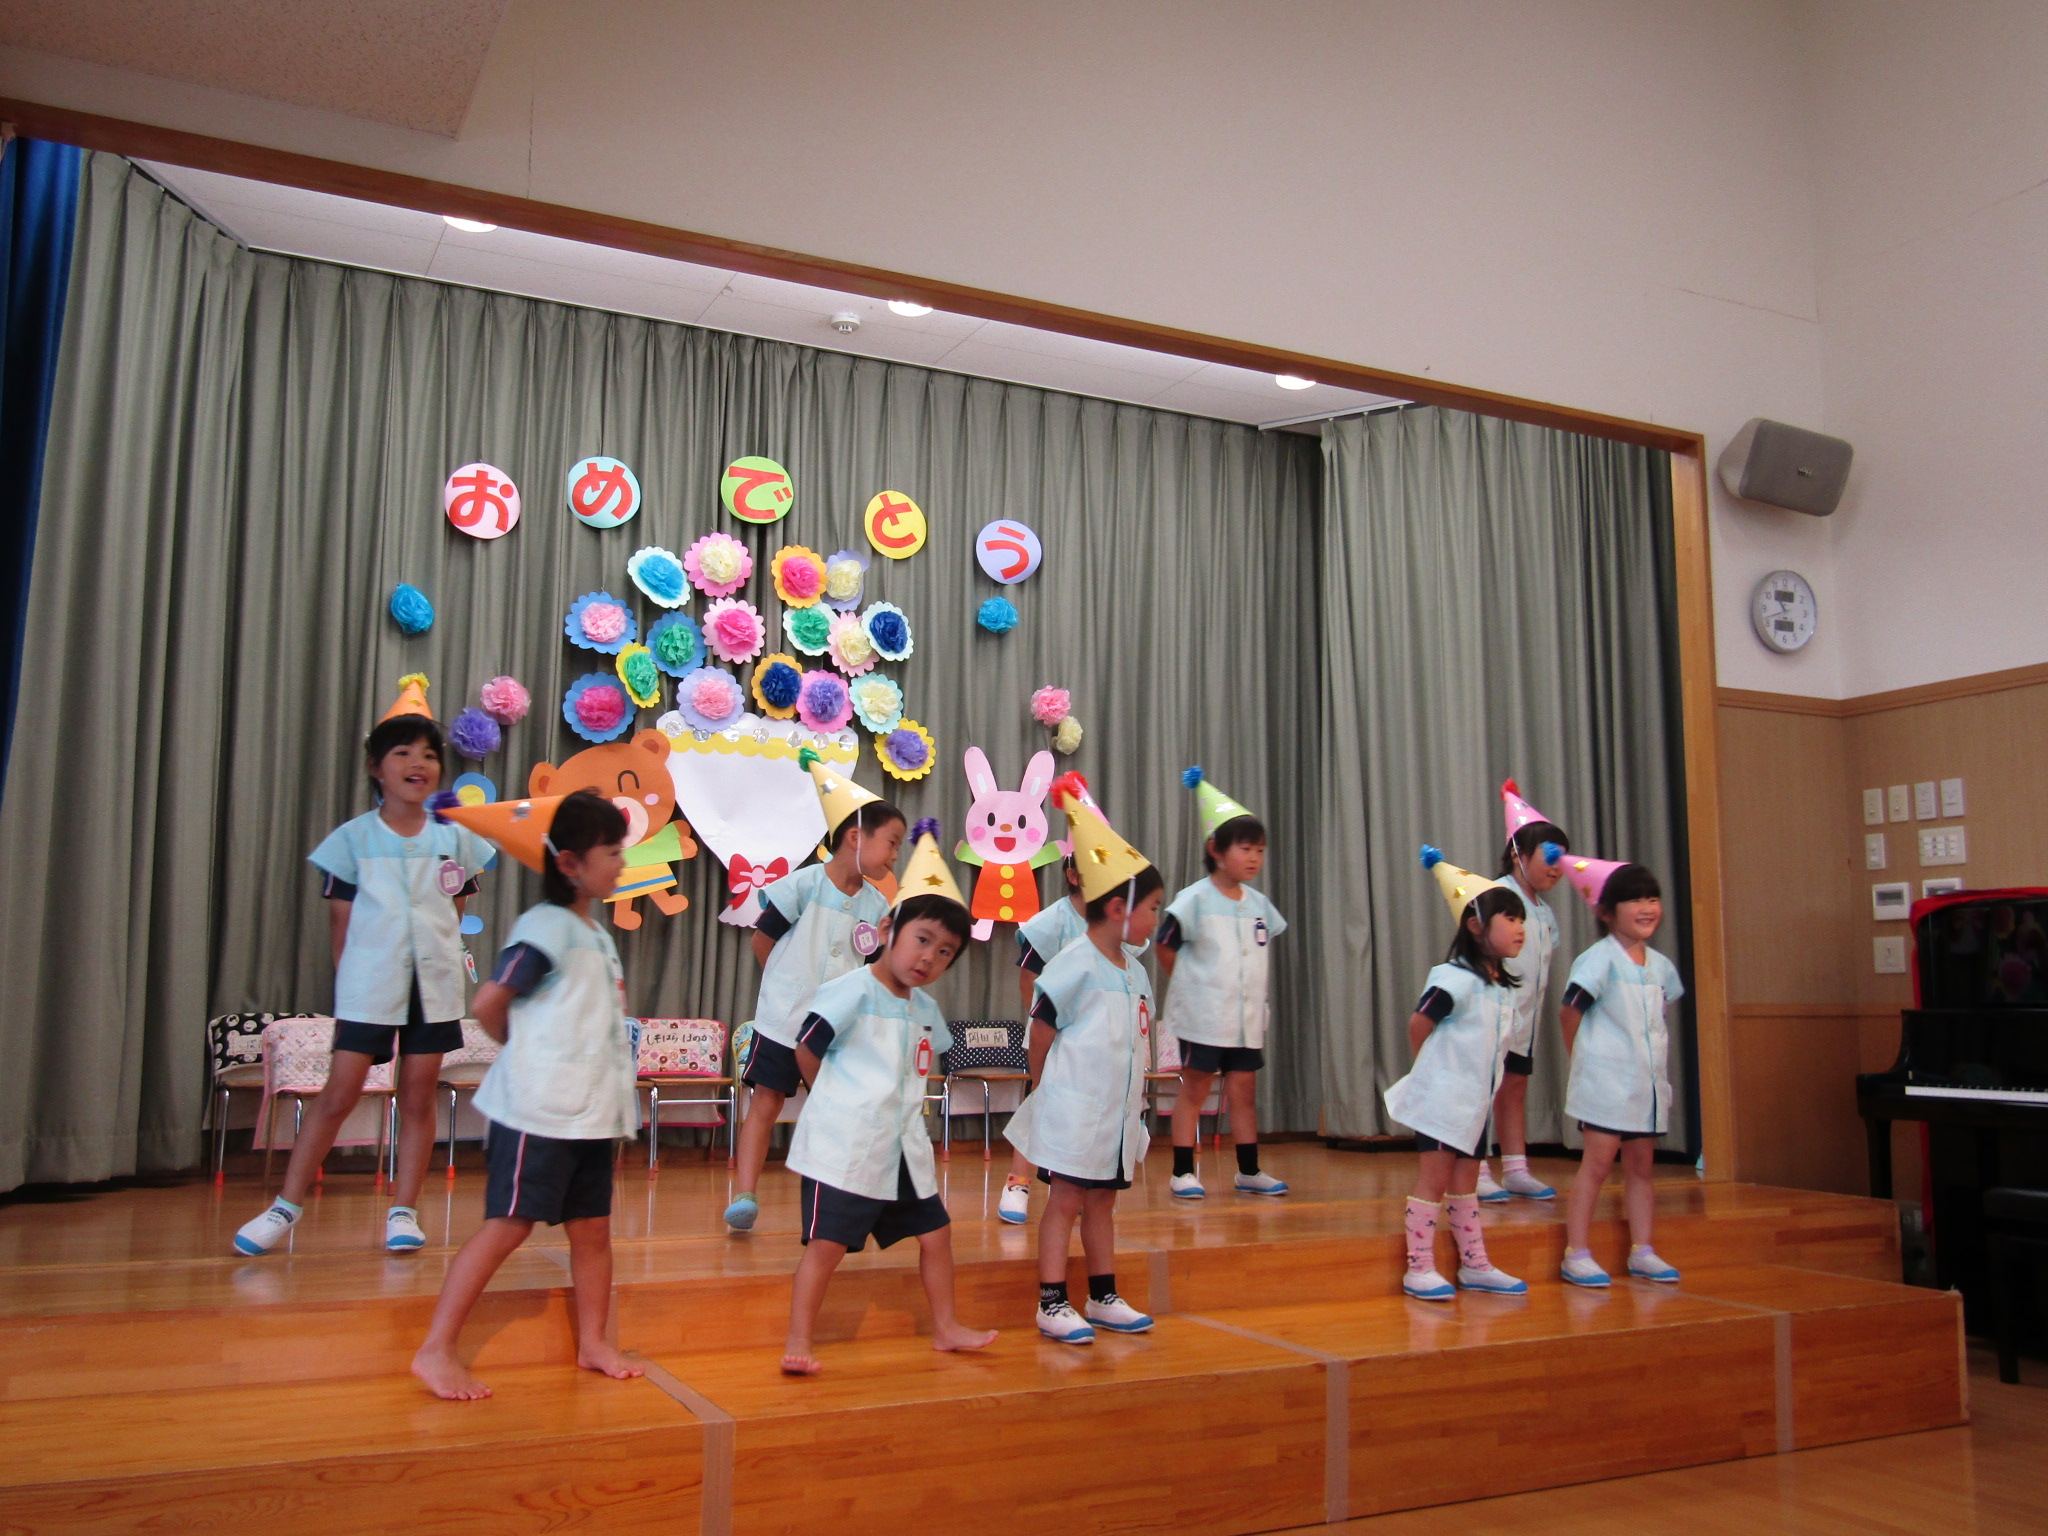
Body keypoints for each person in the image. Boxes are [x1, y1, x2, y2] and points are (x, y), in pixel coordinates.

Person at [235, 676, 493, 1257]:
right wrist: (350, 988)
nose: (417, 763)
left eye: (429, 754)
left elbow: (457, 904)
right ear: (377, 767)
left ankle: (404, 1210)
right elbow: (341, 924)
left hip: (434, 987)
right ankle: (285, 1207)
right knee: (339, 1094)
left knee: (419, 1096)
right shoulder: (352, 840)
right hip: (369, 987)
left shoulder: (456, 837)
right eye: (402, 752)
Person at [411, 790, 644, 1399]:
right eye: (611, 852)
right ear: (569, 862)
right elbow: (490, 1004)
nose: (621, 862)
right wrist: (528, 1055)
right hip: (540, 1113)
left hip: (590, 1117)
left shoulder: (595, 933)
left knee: (592, 1231)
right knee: (507, 1225)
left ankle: (593, 1341)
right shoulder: (545, 927)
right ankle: (435, 1349)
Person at [779, 822, 998, 1374]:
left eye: (944, 952)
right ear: (886, 930)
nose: (929, 958)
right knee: (827, 1245)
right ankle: (798, 1339)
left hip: (901, 1148)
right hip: (846, 1146)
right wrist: (833, 1102)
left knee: (937, 1234)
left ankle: (946, 1327)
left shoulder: (926, 1010)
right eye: (922, 940)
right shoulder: (850, 990)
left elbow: (924, 1065)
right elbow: (807, 1049)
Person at [1005, 782, 1164, 1344]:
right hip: (1074, 1112)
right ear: (1118, 908)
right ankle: (1051, 1301)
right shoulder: (1073, 963)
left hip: (1116, 1116)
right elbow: (1042, 1030)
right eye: (1151, 908)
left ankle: (1102, 1295)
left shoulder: (1135, 972)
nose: (1156, 919)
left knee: (1102, 1204)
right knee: (1065, 1201)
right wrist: (1044, 1088)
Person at [724, 750, 904, 1233]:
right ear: (855, 838)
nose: (895, 856)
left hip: (835, 1031)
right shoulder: (801, 886)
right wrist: (785, 989)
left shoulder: (876, 905)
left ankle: (842, 1197)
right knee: (766, 1102)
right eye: (891, 843)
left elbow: (870, 966)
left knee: (837, 1111)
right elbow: (763, 941)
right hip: (783, 1022)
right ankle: (744, 1193)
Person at [1383, 846, 1532, 1300]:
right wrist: (1430, 1076)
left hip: (1474, 1104)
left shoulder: (1502, 987)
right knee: (1434, 1181)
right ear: (1476, 927)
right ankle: (1419, 1267)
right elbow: (1419, 1024)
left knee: (1466, 1184)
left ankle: (1474, 1264)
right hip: (1444, 1101)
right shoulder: (1454, 979)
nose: (1520, 928)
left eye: (1522, 920)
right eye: (1510, 919)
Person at [1159, 767, 1289, 1199]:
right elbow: (1165, 944)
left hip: (1245, 1020)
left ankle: (1248, 1170)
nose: (1254, 858)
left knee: (1244, 1092)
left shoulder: (1259, 904)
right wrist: (1189, 988)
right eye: (1245, 848)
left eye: (1260, 850)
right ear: (1216, 850)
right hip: (1203, 1019)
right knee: (1196, 1088)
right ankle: (1182, 1171)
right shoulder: (1194, 899)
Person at [1556, 855, 1685, 1288]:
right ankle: (1576, 1252)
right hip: (1605, 1084)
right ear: (1607, 912)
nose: (1647, 908)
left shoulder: (1660, 965)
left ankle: (1642, 1250)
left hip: (1646, 1086)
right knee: (1596, 1165)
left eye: (1653, 899)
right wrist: (1583, 1059)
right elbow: (1569, 1011)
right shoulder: (1599, 960)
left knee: (1641, 1167)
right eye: (1634, 900)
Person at [1474, 779, 1570, 1204]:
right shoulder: (1497, 896)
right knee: (1484, 1091)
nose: (1557, 867)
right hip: (1493, 1016)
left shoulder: (1545, 913)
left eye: (1562, 859)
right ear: (1518, 855)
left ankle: (1515, 1169)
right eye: (1550, 856)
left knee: (1514, 1089)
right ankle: (1476, 1169)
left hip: (1524, 1021)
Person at [998, 844, 1087, 1224]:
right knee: (1040, 1101)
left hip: (1095, 1041)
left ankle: (1073, 1185)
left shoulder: (1115, 921)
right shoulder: (1054, 921)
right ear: (1072, 875)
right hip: (1053, 1033)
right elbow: (1028, 976)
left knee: (1083, 1112)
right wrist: (1042, 1025)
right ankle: (1018, 1182)